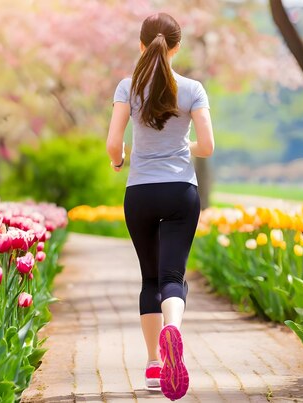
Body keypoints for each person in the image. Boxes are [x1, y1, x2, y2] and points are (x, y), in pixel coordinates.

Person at [106, 12, 214, 401]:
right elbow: (207, 145)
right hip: (181, 191)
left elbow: (113, 143)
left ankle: (154, 361)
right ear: (177, 47)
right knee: (173, 276)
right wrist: (185, 148)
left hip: (141, 193)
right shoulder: (192, 89)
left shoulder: (127, 87)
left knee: (149, 279)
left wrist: (119, 162)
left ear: (141, 44)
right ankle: (175, 330)